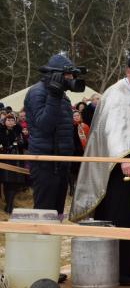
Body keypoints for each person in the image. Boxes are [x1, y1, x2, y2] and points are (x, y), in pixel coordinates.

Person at [70, 51, 130, 286]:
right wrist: (123, 159)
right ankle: (116, 270)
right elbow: (115, 129)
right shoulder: (118, 93)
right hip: (119, 168)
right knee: (119, 215)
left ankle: (129, 264)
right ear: (128, 72)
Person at [24, 54, 78, 217]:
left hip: (61, 162)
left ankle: (53, 242)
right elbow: (44, 125)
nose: (70, 78)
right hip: (45, 162)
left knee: (58, 213)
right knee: (44, 212)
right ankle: (41, 242)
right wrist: (54, 97)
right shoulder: (37, 92)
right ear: (55, 74)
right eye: (67, 75)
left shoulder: (62, 95)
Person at [0, 114, 26, 213]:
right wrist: (6, 147)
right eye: (8, 120)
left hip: (17, 160)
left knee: (14, 183)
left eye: (12, 120)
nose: (10, 122)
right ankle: (8, 204)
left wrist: (19, 142)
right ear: (5, 121)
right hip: (5, 159)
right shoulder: (1, 131)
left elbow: (24, 144)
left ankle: (10, 204)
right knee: (7, 182)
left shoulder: (18, 131)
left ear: (15, 121)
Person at [69, 111, 90, 196]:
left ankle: (80, 188)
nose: (76, 117)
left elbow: (88, 139)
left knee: (81, 169)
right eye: (74, 116)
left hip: (82, 151)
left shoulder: (85, 126)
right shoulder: (70, 127)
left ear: (80, 116)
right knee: (72, 170)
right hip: (72, 151)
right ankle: (72, 188)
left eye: (78, 115)